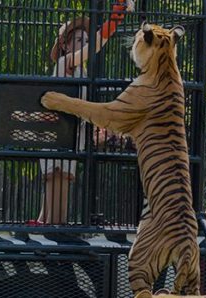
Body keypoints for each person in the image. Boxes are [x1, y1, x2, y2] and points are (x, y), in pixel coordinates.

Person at [33, 2, 128, 225]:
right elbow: (94, 47)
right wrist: (115, 20)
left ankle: (45, 228)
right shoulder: (65, 62)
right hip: (57, 137)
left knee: (57, 189)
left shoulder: (82, 71)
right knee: (58, 183)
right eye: (78, 41)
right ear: (65, 46)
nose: (84, 45)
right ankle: (56, 235)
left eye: (86, 41)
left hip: (72, 137)